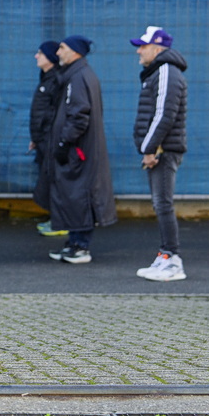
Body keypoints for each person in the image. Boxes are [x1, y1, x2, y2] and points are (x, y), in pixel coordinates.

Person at [47, 35, 117, 264]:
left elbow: (78, 116)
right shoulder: (76, 75)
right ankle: (74, 243)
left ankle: (81, 246)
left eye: (62, 48)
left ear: (76, 52)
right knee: (72, 196)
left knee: (79, 196)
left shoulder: (79, 77)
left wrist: (64, 143)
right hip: (78, 150)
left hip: (78, 151)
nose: (58, 53)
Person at [130, 26, 189, 281]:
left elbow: (164, 114)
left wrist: (150, 148)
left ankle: (172, 260)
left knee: (163, 204)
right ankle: (165, 256)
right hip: (159, 150)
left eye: (143, 46)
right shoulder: (158, 72)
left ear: (157, 48)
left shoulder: (166, 71)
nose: (138, 51)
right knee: (160, 204)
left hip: (163, 151)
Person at [29, 41, 66, 237]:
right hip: (43, 140)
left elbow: (54, 114)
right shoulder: (47, 78)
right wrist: (36, 138)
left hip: (51, 140)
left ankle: (60, 222)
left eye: (41, 53)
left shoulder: (56, 80)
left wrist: (48, 136)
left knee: (56, 181)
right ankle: (55, 218)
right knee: (48, 180)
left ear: (51, 57)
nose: (37, 56)